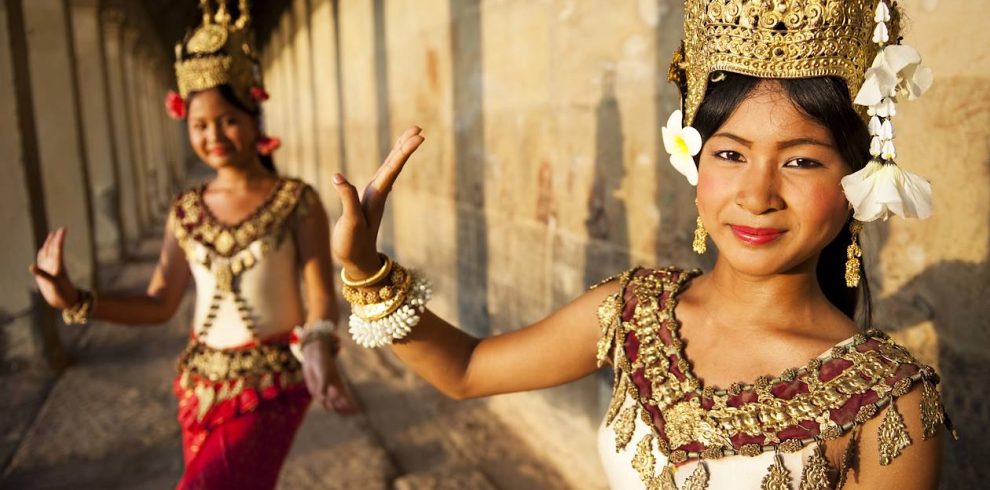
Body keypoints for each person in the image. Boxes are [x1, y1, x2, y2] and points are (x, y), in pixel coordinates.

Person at [326, 0, 954, 489]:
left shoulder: (887, 403)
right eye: (730, 154)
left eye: (801, 162)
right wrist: (365, 270)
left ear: (857, 178)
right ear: (695, 164)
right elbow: (465, 370)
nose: (757, 193)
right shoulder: (634, 312)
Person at [29, 2, 357, 488]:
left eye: (228, 119)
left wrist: (317, 346)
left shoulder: (297, 200)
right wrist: (78, 301)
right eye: (200, 125)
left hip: (273, 385)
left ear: (253, 114)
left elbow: (321, 295)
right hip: (198, 387)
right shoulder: (185, 208)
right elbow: (160, 303)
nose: (214, 135)